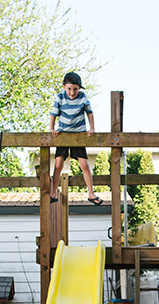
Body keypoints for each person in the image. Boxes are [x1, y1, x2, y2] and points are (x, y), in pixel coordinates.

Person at [49, 72, 101, 205]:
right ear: (64, 87)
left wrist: (92, 128)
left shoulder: (83, 97)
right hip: (63, 134)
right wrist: (52, 128)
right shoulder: (60, 97)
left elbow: (90, 113)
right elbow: (54, 114)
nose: (72, 93)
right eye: (69, 89)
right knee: (58, 164)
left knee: (84, 164)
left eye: (75, 89)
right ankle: (53, 191)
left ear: (79, 88)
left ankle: (91, 192)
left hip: (78, 134)